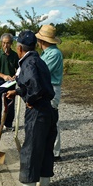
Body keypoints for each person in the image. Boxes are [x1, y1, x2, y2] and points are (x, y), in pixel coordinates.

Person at [6, 31, 57, 186]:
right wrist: (18, 92)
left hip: (37, 111)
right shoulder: (39, 60)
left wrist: (29, 100)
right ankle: (44, 183)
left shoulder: (27, 63)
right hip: (48, 109)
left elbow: (34, 87)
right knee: (45, 146)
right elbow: (35, 84)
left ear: (19, 48)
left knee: (32, 147)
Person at [36, 24, 63, 163]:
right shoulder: (46, 52)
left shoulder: (54, 54)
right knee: (46, 118)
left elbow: (43, 70)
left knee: (52, 118)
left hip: (52, 87)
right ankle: (48, 148)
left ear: (43, 41)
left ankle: (55, 152)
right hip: (46, 87)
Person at [0, 33, 19, 134]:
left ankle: (8, 124)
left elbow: (18, 68)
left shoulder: (15, 55)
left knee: (10, 102)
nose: (5, 46)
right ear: (1, 43)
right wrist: (3, 76)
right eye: (3, 43)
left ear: (11, 44)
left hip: (10, 81)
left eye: (8, 43)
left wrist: (16, 75)